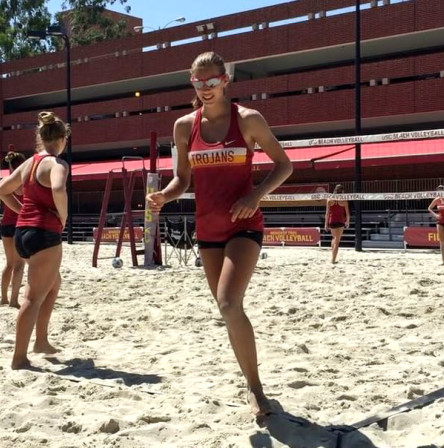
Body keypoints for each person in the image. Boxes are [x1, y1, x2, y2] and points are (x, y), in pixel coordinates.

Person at [146, 52, 293, 416]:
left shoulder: (247, 120)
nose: (206, 88)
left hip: (244, 224)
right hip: (207, 228)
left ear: (225, 80)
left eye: (212, 82)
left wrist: (255, 195)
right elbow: (183, 179)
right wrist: (165, 195)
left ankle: (257, 390)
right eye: (199, 82)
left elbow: (284, 165)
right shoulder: (184, 126)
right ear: (191, 82)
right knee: (229, 310)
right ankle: (250, 381)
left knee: (228, 302)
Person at [0, 111, 69, 369]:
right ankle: (19, 358)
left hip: (22, 233)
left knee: (53, 283)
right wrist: (63, 215)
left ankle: (41, 341)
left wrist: (21, 211)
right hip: (44, 234)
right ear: (62, 139)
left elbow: (1, 191)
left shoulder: (28, 163)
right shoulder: (57, 164)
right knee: (32, 298)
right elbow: (58, 188)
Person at [0, 151, 27, 307]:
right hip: (21, 225)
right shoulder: (27, 182)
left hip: (5, 225)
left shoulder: (4, 182)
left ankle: (3, 298)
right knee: (19, 264)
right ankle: (14, 301)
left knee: (9, 264)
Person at [324, 184, 349, 264]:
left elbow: (327, 213)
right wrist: (347, 221)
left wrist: (326, 224)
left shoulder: (329, 200)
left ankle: (332, 257)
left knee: (334, 238)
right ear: (342, 191)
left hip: (332, 221)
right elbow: (347, 213)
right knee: (337, 241)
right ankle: (333, 260)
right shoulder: (344, 201)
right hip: (340, 221)